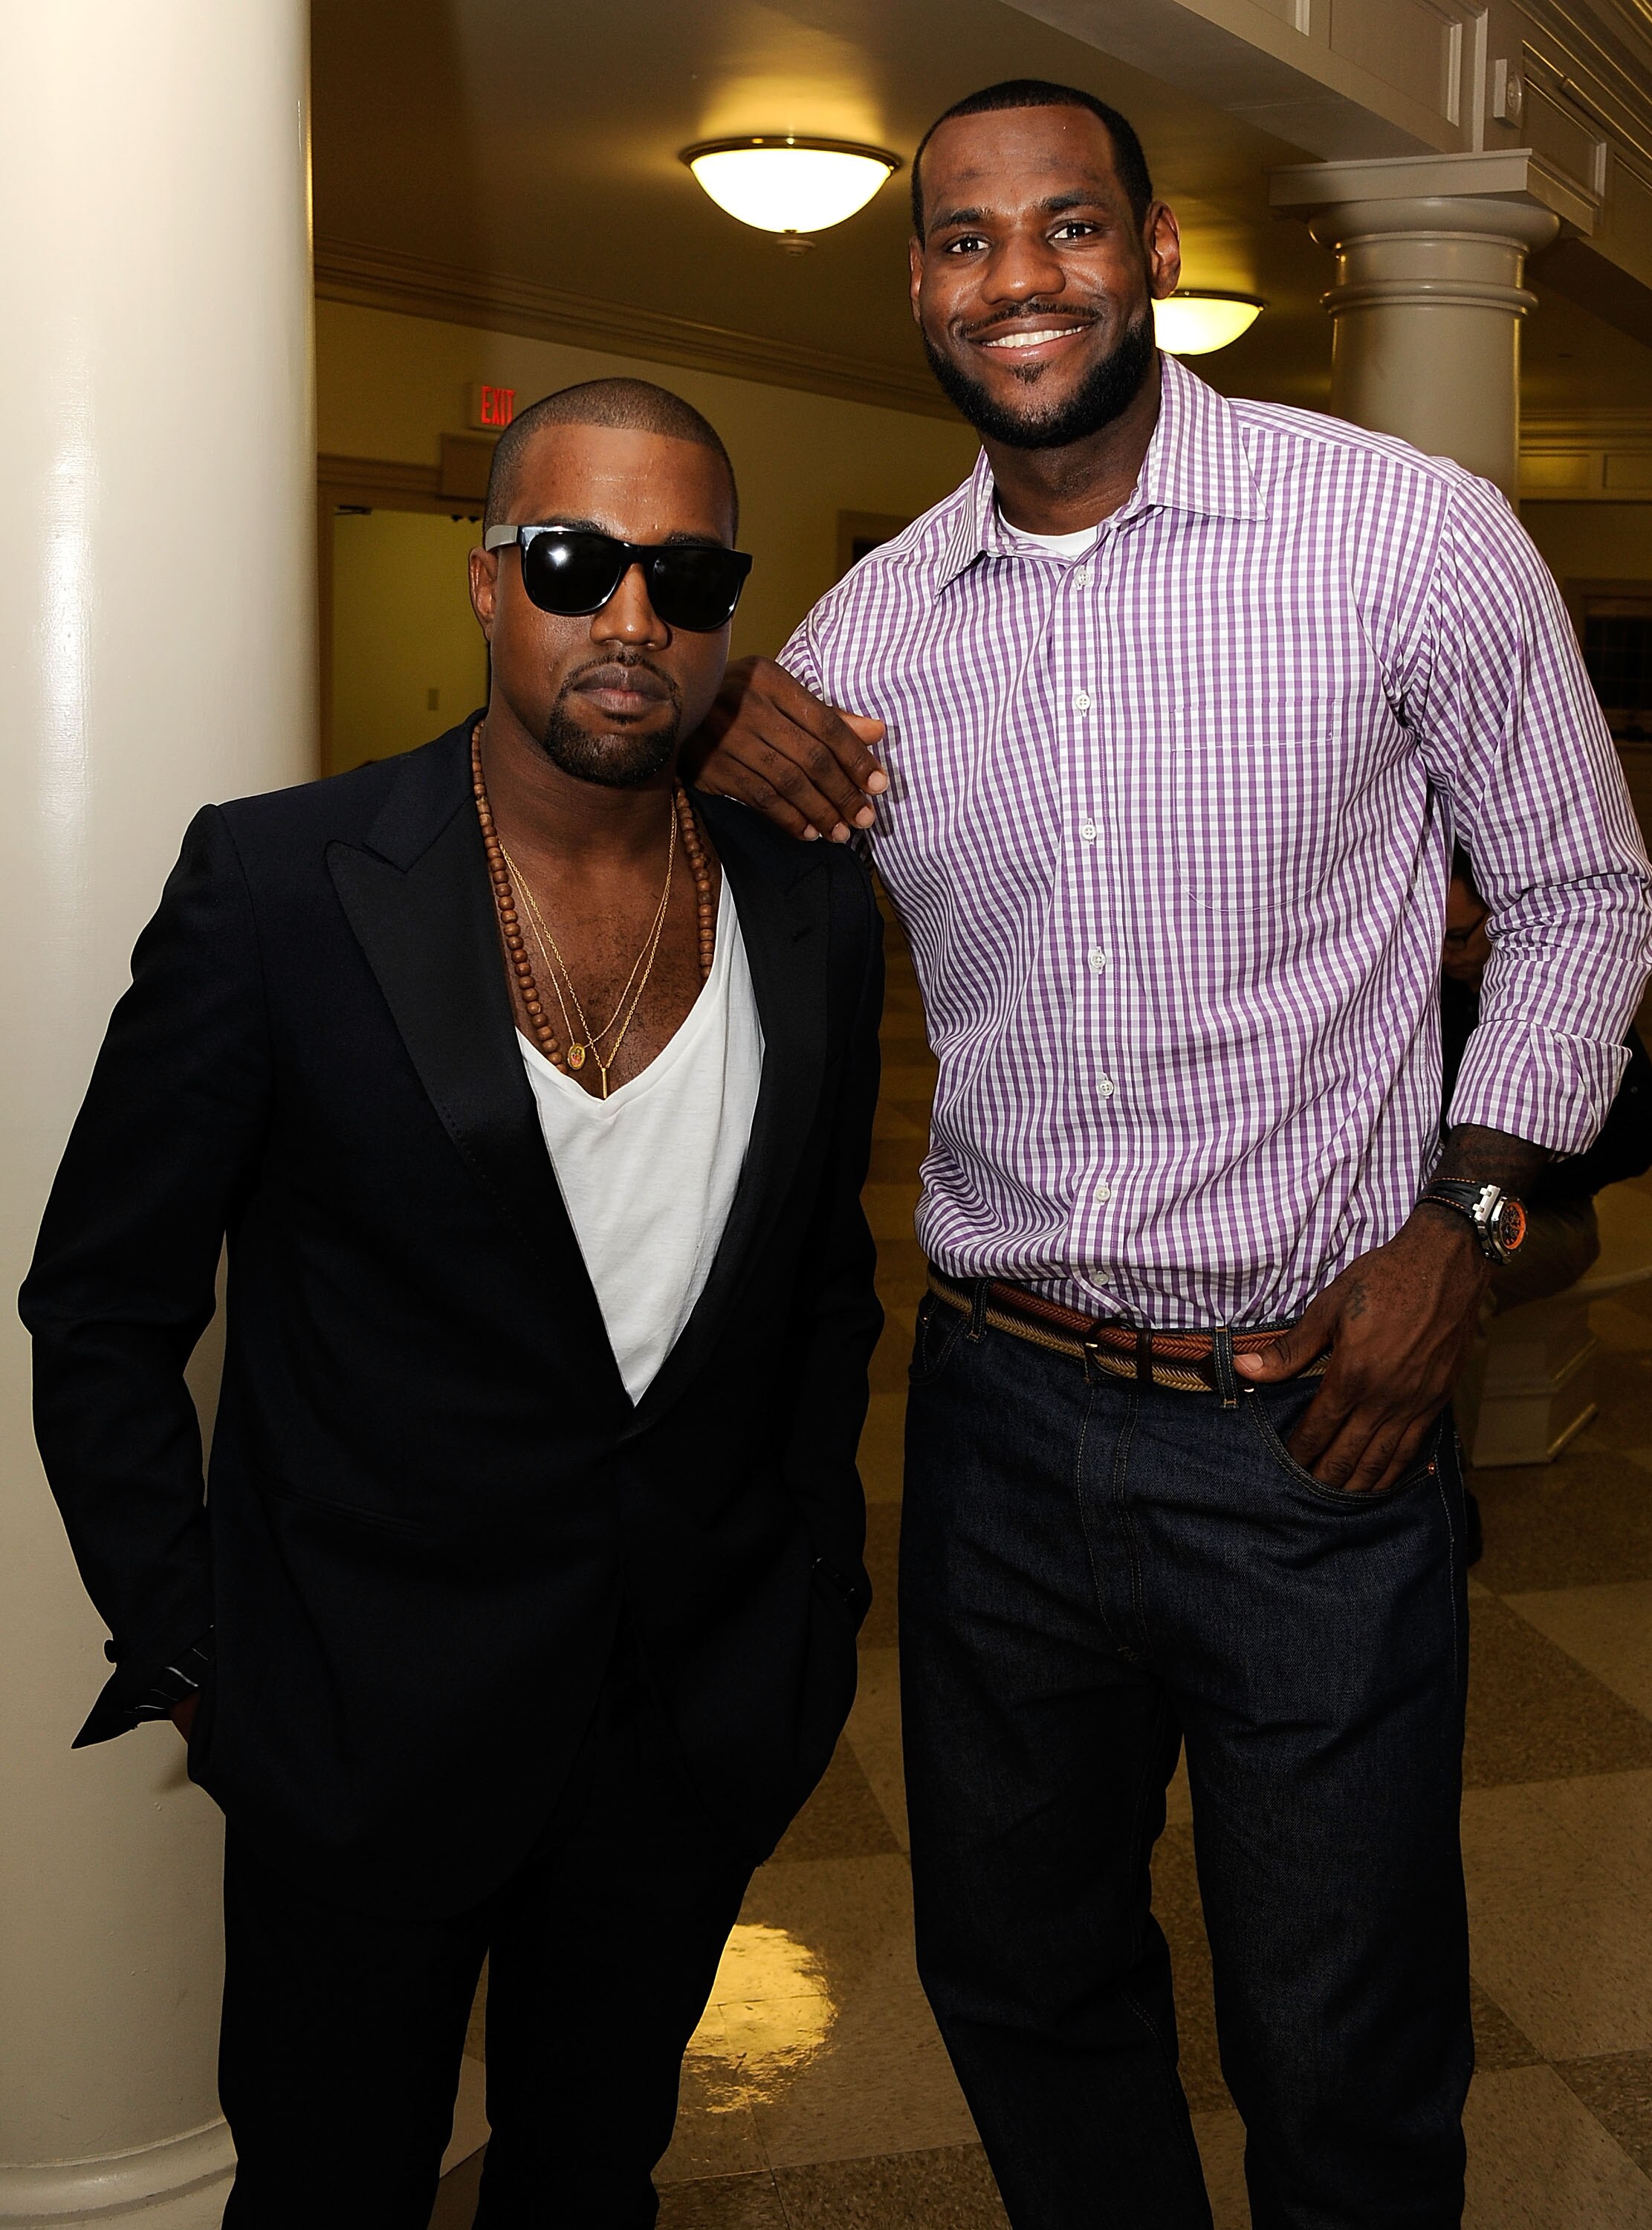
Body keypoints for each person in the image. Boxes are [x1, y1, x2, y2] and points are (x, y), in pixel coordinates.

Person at [691, 77, 1652, 2230]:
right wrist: (701, 720)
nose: (1014, 276)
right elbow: (677, 943)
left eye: (1062, 227)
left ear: (1146, 247)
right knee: (1019, 1981)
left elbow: (1587, 896)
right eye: (961, 239)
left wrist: (1467, 1222)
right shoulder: (868, 648)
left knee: (1340, 2031)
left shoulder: (1396, 531)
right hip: (995, 1424)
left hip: (1309, 1418)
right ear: (916, 283)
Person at [20, 378, 884, 2230]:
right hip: (354, 1727)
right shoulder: (278, 888)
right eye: (577, 561)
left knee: (589, 2180)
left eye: (687, 573)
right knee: (330, 2187)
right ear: (488, 583)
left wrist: (810, 1609)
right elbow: (99, 1304)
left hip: (684, 1722)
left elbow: (823, 1294)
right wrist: (198, 1653)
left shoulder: (814, 916)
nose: (631, 618)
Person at [1443, 842, 1652, 1306]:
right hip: (1446, 1207)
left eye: (1459, 936)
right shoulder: (1437, 994)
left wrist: (1503, 1175)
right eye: (1432, 939)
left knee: (1449, 1287)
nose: (1444, 956)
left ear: (1500, 921)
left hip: (1549, 1212)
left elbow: (1640, 1136)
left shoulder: (1567, 1002)